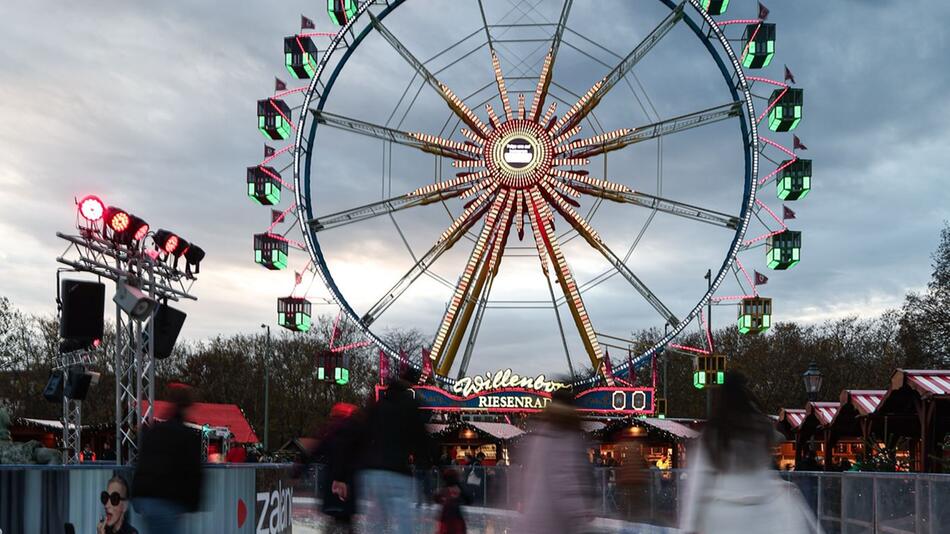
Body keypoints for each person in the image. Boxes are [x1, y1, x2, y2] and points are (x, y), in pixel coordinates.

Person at [680, 372, 821, 534]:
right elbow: (778, 439)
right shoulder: (759, 428)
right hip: (763, 510)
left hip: (723, 516)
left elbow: (699, 484)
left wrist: (690, 526)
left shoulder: (714, 435)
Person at [356, 369, 434, 534]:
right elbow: (422, 438)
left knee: (376, 518)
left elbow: (362, 435)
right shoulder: (410, 405)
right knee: (403, 519)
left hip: (373, 472)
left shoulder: (377, 406)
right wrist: (428, 463)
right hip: (397, 471)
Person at [517, 387, 595, 534]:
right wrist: (579, 513)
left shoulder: (538, 435)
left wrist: (523, 498)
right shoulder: (567, 437)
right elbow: (566, 480)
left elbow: (527, 473)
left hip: (535, 517)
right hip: (554, 520)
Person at [131, 383, 204, 532]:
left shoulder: (154, 431)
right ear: (186, 407)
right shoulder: (187, 436)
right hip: (166, 501)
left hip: (145, 497)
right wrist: (193, 503)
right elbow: (194, 472)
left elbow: (142, 462)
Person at [307, 402, 361, 534]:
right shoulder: (354, 433)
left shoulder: (330, 432)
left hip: (334, 482)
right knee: (345, 520)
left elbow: (316, 451)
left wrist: (300, 468)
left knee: (337, 519)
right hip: (346, 483)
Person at [435, 468, 472, 534]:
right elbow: (469, 500)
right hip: (456, 520)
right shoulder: (458, 489)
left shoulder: (444, 490)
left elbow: (436, 498)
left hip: (447, 520)